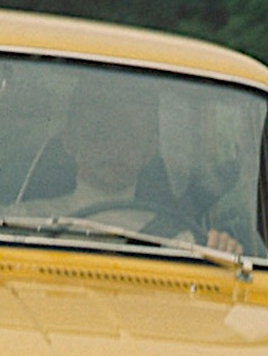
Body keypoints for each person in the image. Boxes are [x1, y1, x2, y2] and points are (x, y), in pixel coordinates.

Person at [14, 79, 244, 254]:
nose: (117, 149)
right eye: (101, 134)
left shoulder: (178, 240)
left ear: (149, 150)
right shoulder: (20, 223)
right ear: (71, 140)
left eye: (131, 136)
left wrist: (221, 254)